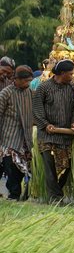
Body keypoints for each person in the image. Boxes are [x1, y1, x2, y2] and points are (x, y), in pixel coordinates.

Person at [33, 59, 74, 203]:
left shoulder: (72, 88)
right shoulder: (44, 88)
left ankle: (56, 194)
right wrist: (45, 124)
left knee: (66, 167)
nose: (72, 76)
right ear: (62, 73)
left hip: (65, 136)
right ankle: (55, 197)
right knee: (50, 165)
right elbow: (37, 109)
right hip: (47, 135)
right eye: (70, 74)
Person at [0, 66, 34, 201]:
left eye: (29, 81)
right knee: (11, 167)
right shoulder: (5, 93)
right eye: (25, 81)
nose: (28, 84)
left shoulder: (30, 93)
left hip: (25, 138)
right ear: (16, 79)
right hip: (8, 137)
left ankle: (17, 194)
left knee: (21, 169)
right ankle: (13, 195)